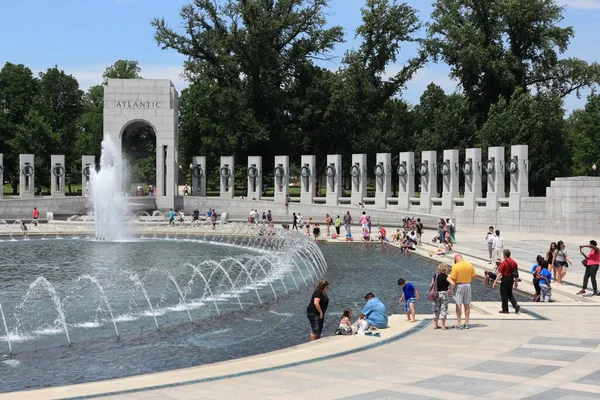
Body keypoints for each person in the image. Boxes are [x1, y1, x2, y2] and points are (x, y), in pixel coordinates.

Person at [450, 254, 477, 330]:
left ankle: (459, 323)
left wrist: (451, 289)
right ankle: (467, 323)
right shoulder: (469, 265)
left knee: (458, 304)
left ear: (455, 260)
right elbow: (475, 276)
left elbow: (453, 279)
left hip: (459, 286)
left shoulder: (455, 266)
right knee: (467, 304)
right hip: (468, 285)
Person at [493, 249, 521, 314]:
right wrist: (516, 282)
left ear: (504, 255)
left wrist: (495, 282)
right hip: (511, 279)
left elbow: (499, 274)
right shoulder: (514, 262)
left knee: (503, 294)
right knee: (509, 293)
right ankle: (515, 305)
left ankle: (505, 309)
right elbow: (516, 273)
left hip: (505, 279)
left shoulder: (504, 263)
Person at [432, 263, 455, 330]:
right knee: (443, 309)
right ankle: (443, 326)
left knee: (436, 309)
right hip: (444, 293)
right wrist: (450, 290)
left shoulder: (435, 276)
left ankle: (435, 325)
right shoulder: (446, 277)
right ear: (445, 269)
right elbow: (453, 283)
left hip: (436, 294)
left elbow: (432, 284)